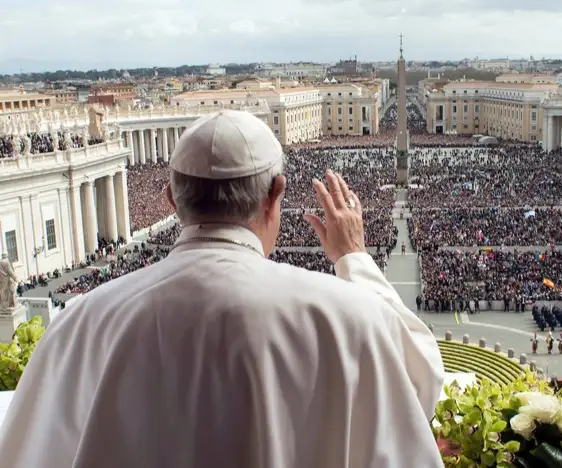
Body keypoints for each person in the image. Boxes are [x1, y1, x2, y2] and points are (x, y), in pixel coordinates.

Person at [0, 110, 446, 468]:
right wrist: (354, 259)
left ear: (172, 202)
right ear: (276, 194)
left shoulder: (82, 322)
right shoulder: (350, 316)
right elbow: (422, 382)